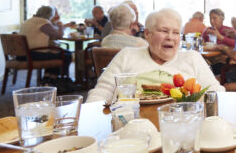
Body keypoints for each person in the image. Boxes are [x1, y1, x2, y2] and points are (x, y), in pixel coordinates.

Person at [87, 8, 224, 103]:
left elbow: (216, 93)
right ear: (147, 34)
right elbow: (101, 92)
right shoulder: (127, 55)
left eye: (176, 32)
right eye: (164, 31)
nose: (170, 37)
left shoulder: (192, 58)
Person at [19, 5, 73, 81]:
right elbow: (59, 34)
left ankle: (48, 77)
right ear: (50, 15)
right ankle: (57, 79)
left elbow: (52, 31)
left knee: (57, 52)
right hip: (33, 54)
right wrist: (60, 24)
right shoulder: (43, 22)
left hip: (22, 54)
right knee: (66, 55)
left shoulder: (28, 21)